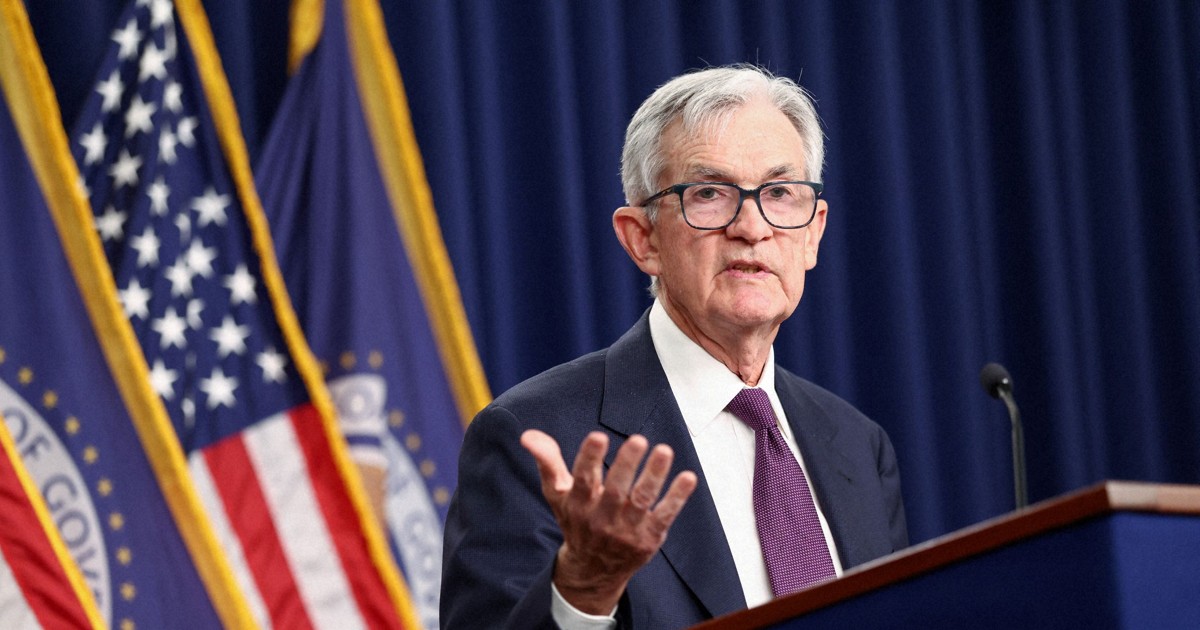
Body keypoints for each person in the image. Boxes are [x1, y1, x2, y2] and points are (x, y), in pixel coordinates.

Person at [440, 64, 908, 629]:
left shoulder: (858, 445)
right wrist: (583, 591)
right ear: (643, 239)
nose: (752, 227)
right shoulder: (536, 439)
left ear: (812, 233)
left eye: (780, 193)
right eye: (709, 194)